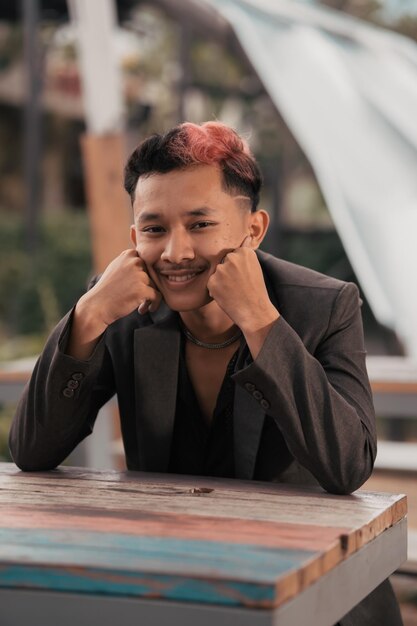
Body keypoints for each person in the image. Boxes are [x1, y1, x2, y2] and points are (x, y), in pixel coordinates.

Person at [9, 121, 402, 625]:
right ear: (133, 238)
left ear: (252, 230)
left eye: (199, 224)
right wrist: (87, 317)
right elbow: (32, 450)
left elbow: (348, 466)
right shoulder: (121, 308)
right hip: (176, 589)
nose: (176, 252)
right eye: (154, 229)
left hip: (315, 597)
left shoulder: (325, 307)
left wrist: (261, 322)